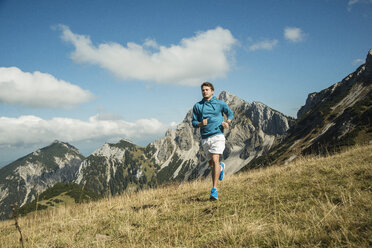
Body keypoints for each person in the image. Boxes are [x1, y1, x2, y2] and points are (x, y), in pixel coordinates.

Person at [192, 82, 233, 200]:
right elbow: (194, 123)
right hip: (205, 137)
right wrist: (200, 123)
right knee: (211, 164)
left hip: (218, 135)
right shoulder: (197, 106)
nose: (205, 91)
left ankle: (214, 190)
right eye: (203, 90)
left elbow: (230, 113)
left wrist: (227, 122)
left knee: (215, 159)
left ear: (212, 91)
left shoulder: (220, 103)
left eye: (207, 89)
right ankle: (221, 167)